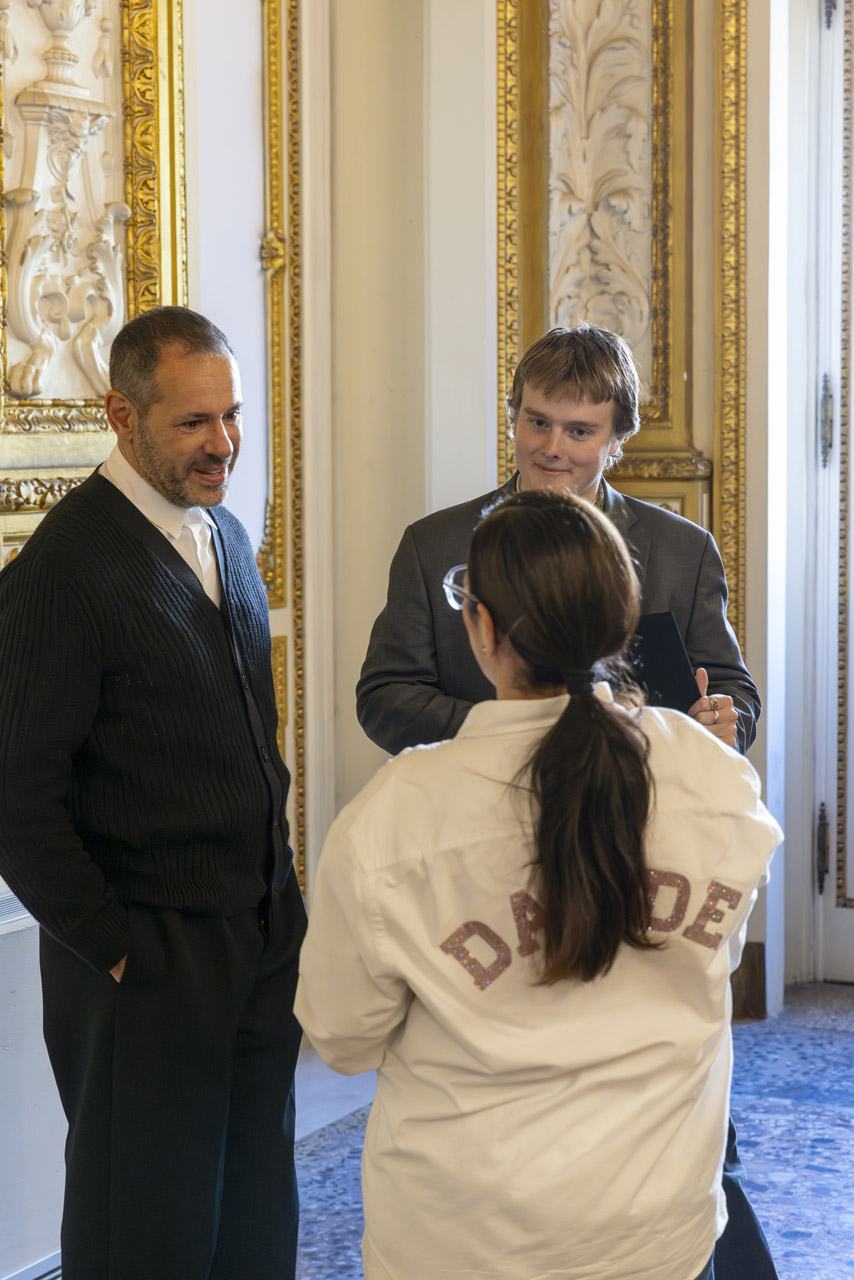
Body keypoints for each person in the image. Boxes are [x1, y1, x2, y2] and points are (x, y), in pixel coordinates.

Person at [298, 489, 782, 1280]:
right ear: (623, 623)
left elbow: (343, 1037)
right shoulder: (713, 777)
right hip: (659, 1230)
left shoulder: (396, 817)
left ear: (481, 629)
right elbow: (712, 964)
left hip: (464, 1238)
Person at [0, 307, 306, 1280]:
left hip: (256, 935)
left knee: (255, 1206)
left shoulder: (224, 532)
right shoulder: (61, 569)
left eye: (232, 415)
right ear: (121, 417)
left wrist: (281, 902)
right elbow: (15, 787)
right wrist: (114, 944)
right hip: (145, 953)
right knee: (146, 1229)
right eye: (193, 422)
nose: (223, 443)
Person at [357, 323, 759, 756]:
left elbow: (731, 689)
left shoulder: (686, 550)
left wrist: (721, 719)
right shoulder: (431, 545)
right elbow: (385, 696)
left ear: (618, 439)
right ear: (514, 417)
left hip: (641, 801)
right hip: (475, 801)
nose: (552, 447)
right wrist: (518, 732)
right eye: (538, 422)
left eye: (580, 432)